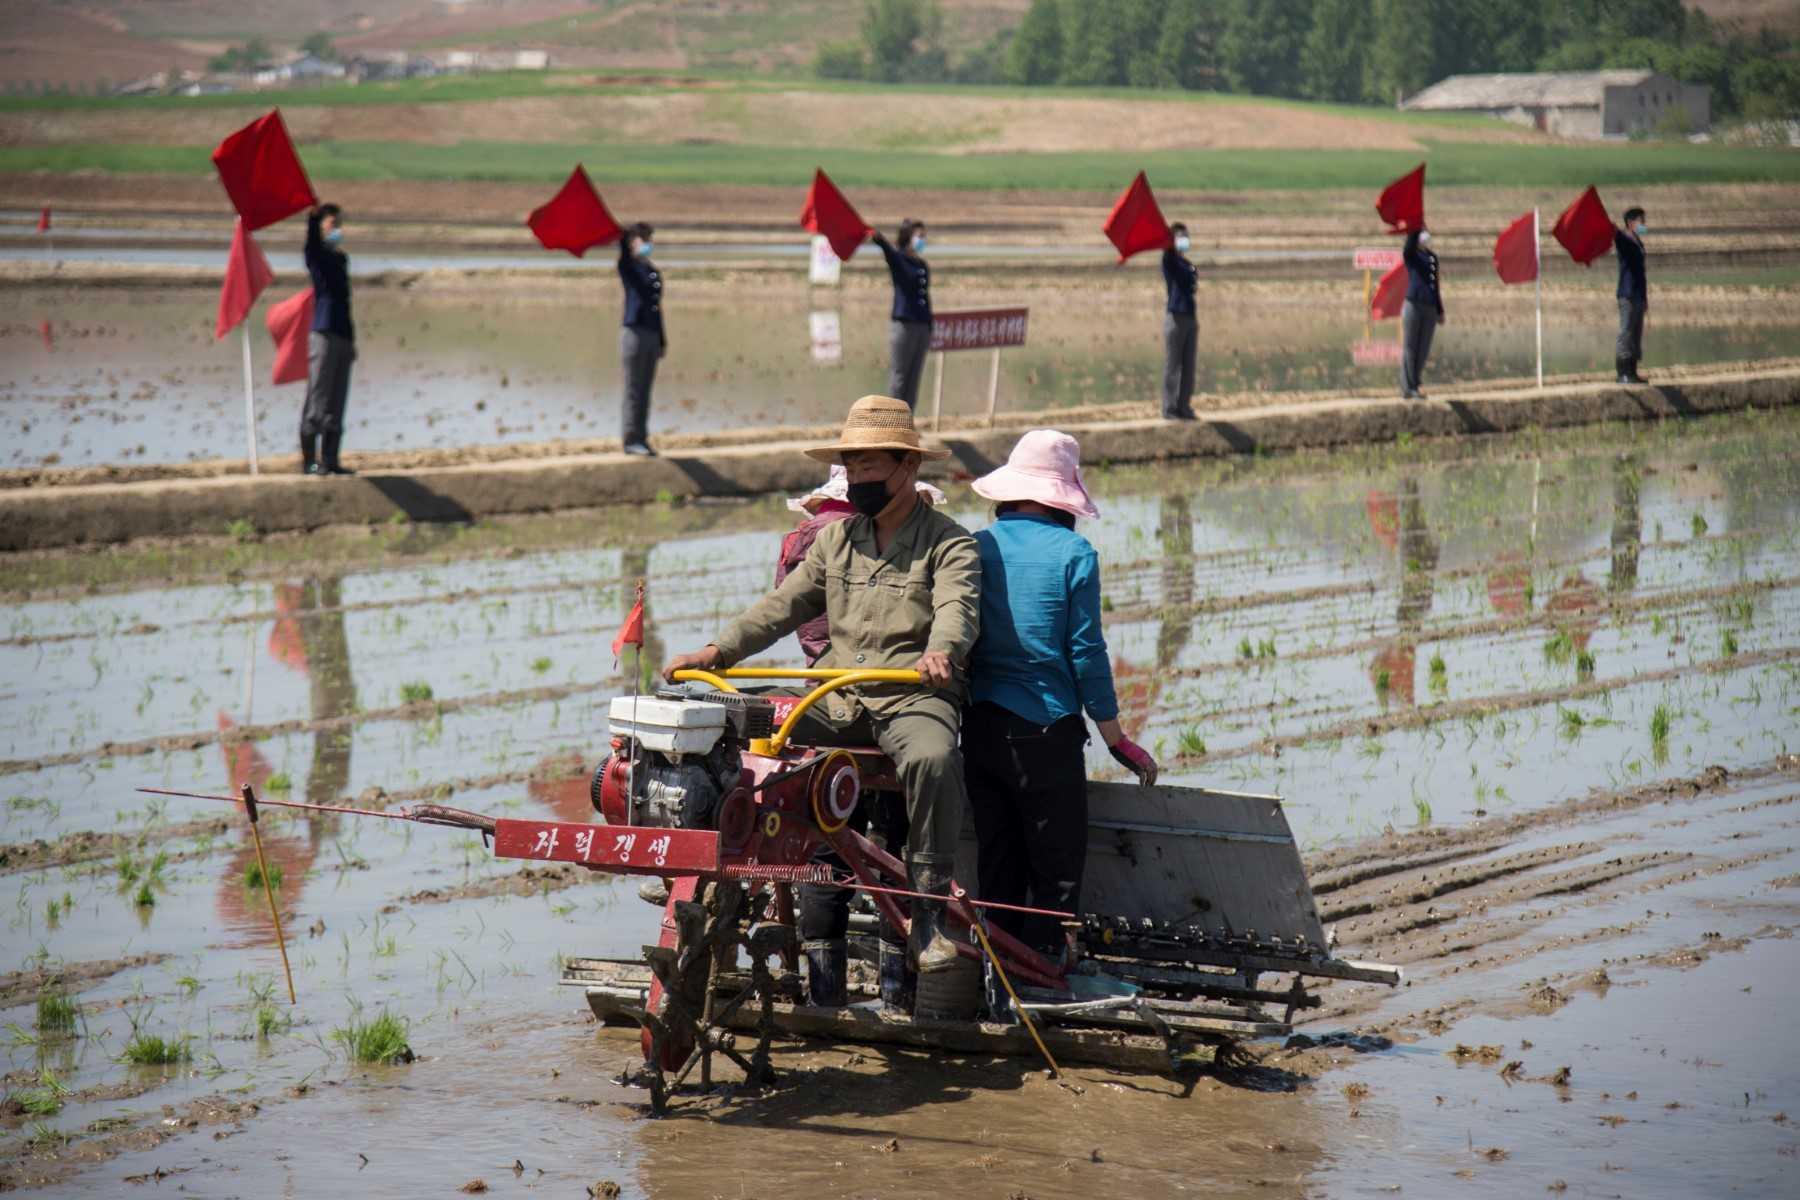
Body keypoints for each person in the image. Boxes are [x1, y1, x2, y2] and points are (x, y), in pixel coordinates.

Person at [663, 394, 980, 1015]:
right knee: (735, 721)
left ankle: (928, 915)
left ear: (907, 468)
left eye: (869, 466)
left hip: (912, 695)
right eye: (851, 466)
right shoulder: (835, 541)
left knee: (935, 759)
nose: (857, 478)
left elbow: (956, 609)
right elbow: (783, 606)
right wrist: (718, 649)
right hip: (837, 696)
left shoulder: (950, 543)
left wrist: (942, 651)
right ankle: (700, 863)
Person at [963, 430, 1157, 974]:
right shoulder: (1075, 553)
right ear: (1062, 497)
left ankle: (996, 975)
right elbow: (1085, 652)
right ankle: (1046, 973)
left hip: (979, 728)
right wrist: (1116, 738)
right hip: (1047, 732)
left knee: (997, 861)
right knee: (1056, 865)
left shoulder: (979, 546)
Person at [777, 465, 948, 666]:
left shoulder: (798, 537)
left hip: (822, 661)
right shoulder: (850, 534)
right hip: (868, 665)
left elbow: (785, 601)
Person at [302, 204, 356, 476]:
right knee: (318, 398)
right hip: (323, 333)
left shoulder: (341, 260)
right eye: (332, 224)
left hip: (343, 333)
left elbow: (344, 302)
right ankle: (310, 461)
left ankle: (331, 459)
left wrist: (352, 341)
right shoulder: (317, 257)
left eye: (339, 225)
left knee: (337, 398)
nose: (337, 230)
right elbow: (311, 244)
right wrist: (312, 218)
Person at [870, 220, 932, 410]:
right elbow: (888, 252)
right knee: (900, 376)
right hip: (904, 325)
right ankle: (893, 421)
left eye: (923, 236)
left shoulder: (922, 264)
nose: (922, 240)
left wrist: (930, 324)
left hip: (922, 325)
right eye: (918, 236)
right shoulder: (899, 260)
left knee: (914, 377)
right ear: (908, 238)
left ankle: (908, 421)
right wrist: (878, 238)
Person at [618, 221, 664, 457]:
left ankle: (642, 438)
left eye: (649, 239)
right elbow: (624, 254)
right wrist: (626, 238)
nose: (648, 243)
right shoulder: (629, 266)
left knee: (645, 390)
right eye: (643, 239)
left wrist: (661, 340)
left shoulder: (650, 269)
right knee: (633, 389)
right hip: (634, 333)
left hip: (651, 334)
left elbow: (656, 308)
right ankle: (630, 440)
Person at [1399, 226, 1444, 400]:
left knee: (1423, 348)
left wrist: (1440, 310)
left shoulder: (1432, 258)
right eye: (1421, 233)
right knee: (1410, 348)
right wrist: (1414, 226)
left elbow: (1436, 286)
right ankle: (1408, 387)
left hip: (1430, 307)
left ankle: (1415, 383)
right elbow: (1409, 246)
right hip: (1413, 304)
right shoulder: (1412, 255)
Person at [1161, 222, 1199, 420]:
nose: (1184, 239)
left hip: (1190, 316)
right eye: (1180, 236)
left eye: (1186, 236)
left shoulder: (1186, 263)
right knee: (1173, 365)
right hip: (1175, 317)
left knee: (1189, 364)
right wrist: (1168, 242)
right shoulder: (1170, 260)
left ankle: (1184, 406)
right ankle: (1169, 408)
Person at [1615, 206, 1649, 385]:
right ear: (1630, 223)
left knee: (1636, 333)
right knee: (1626, 332)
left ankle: (1633, 371)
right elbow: (1616, 234)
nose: (1644, 224)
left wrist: (1644, 299)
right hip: (1627, 294)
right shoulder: (1624, 239)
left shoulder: (1638, 242)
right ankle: (1623, 373)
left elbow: (1642, 274)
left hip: (1637, 294)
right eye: (1641, 221)